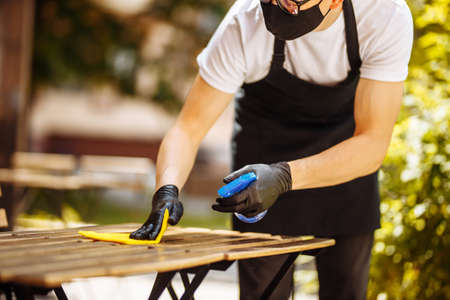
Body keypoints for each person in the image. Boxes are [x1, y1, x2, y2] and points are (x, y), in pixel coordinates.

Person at [131, 0, 413, 298]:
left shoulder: (384, 16)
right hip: (261, 170)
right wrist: (167, 189)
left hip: (345, 163)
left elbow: (372, 143)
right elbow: (188, 128)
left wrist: (283, 176)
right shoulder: (246, 21)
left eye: (293, 3)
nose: (281, 7)